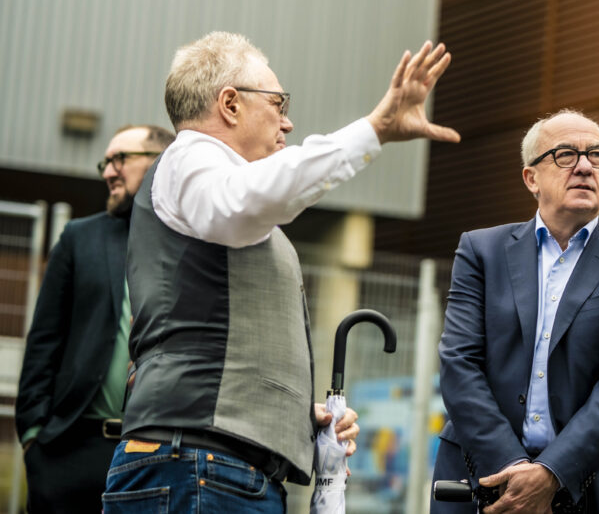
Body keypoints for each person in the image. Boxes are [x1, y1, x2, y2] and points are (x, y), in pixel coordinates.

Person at [103, 31, 459, 513]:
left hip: (211, 467)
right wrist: (374, 128)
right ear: (230, 103)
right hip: (197, 466)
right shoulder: (190, 157)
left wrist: (292, 417)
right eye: (277, 102)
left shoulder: (212, 183)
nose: (287, 121)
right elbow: (242, 199)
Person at [433, 109, 599, 514]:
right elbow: (459, 364)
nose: (583, 167)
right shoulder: (481, 251)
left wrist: (550, 472)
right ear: (531, 178)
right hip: (482, 478)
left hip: (589, 484)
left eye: (596, 156)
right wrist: (512, 467)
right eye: (565, 155)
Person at [16, 124, 175, 513]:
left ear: (161, 163)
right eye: (106, 161)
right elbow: (43, 342)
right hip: (72, 449)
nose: (107, 172)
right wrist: (34, 437)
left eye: (120, 158)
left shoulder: (194, 241)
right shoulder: (79, 238)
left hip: (159, 453)